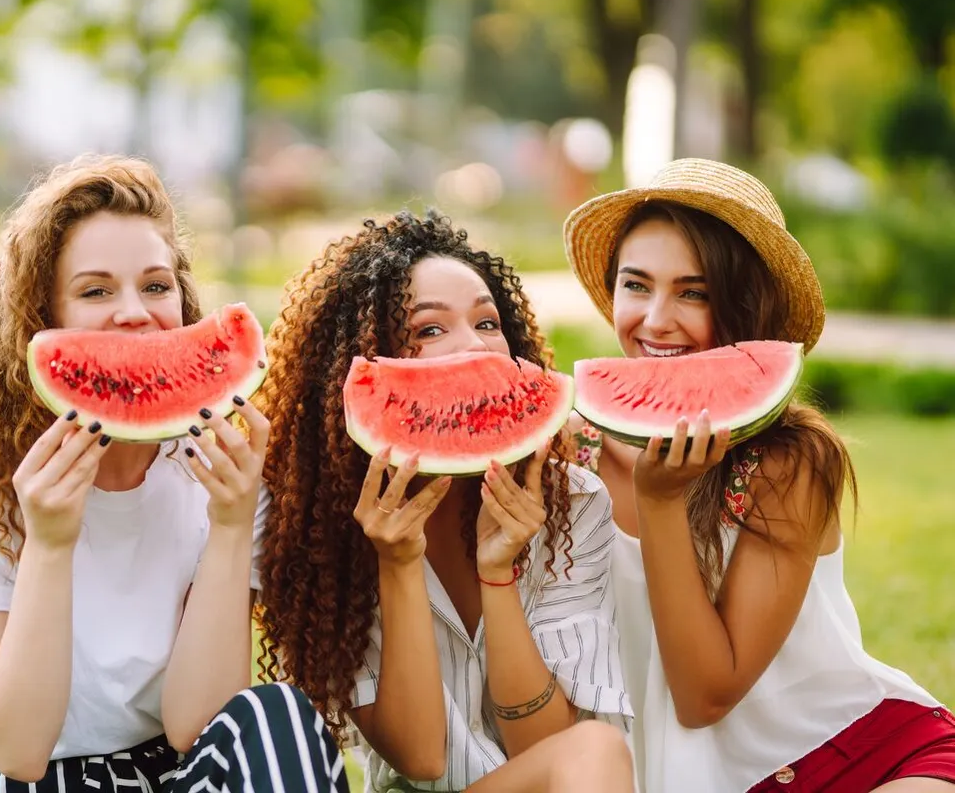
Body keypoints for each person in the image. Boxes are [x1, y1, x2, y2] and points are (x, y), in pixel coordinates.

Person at [0, 155, 351, 793]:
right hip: (10, 776)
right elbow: (15, 749)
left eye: (156, 287)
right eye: (96, 290)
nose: (135, 312)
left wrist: (232, 526)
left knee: (281, 717)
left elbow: (196, 724)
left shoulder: (220, 479)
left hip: (164, 770)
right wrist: (49, 542)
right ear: (41, 322)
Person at [561, 157, 955, 792]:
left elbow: (704, 697)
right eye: (636, 285)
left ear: (746, 306)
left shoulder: (787, 462)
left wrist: (659, 505)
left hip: (849, 758)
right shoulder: (568, 448)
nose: (656, 319)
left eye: (695, 292)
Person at [251, 210, 636, 793]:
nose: (474, 348)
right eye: (430, 330)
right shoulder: (315, 526)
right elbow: (424, 759)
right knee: (596, 750)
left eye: (488, 323)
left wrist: (499, 574)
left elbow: (548, 750)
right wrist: (398, 563)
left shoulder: (573, 504)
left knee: (594, 747)